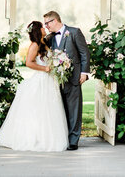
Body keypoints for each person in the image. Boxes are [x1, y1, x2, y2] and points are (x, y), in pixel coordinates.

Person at [0, 21, 68, 152]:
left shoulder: (44, 42)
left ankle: (45, 137)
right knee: (40, 109)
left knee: (49, 109)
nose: (44, 28)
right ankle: (35, 138)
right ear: (38, 30)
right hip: (41, 79)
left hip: (49, 80)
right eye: (42, 26)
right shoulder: (35, 45)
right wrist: (45, 68)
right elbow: (28, 63)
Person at [43, 11, 90, 151]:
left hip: (74, 77)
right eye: (44, 24)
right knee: (59, 110)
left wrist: (84, 73)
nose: (46, 26)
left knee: (74, 111)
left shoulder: (74, 32)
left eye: (47, 23)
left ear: (55, 20)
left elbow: (84, 52)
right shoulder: (49, 38)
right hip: (56, 80)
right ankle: (62, 138)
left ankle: (73, 140)